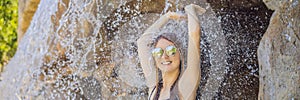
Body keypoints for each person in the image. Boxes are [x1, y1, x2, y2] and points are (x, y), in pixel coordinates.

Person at [137, 4, 205, 100]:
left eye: (171, 50)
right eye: (158, 52)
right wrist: (167, 16)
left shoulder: (186, 85)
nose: (164, 56)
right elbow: (142, 42)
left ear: (180, 54)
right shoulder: (154, 87)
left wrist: (190, 10)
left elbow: (195, 34)